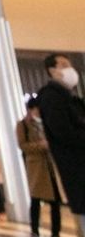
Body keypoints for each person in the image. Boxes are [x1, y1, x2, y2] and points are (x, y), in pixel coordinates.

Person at [37, 54, 85, 232]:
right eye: (64, 65)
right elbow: (63, 132)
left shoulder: (69, 98)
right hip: (76, 167)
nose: (70, 69)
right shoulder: (51, 97)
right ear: (52, 71)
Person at [17, 95, 62, 237]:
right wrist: (40, 145)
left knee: (55, 201)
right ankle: (34, 230)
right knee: (35, 199)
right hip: (36, 167)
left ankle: (55, 232)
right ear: (31, 109)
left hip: (50, 166)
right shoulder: (23, 125)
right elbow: (22, 145)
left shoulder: (45, 123)